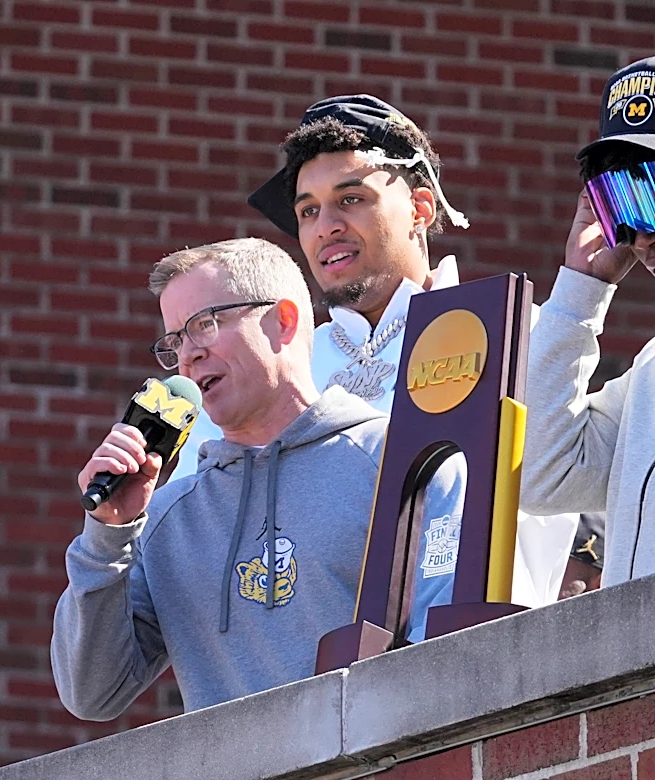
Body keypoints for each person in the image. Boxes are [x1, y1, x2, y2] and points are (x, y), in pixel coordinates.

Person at [51, 238, 462, 718]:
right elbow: (91, 695)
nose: (188, 356)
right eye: (174, 341)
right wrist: (107, 535)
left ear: (283, 322)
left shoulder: (405, 460)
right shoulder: (166, 518)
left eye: (204, 325)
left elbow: (447, 653)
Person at [247, 94, 577, 608]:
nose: (325, 225)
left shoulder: (514, 332)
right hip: (318, 671)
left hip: (493, 661)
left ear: (421, 208)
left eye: (351, 198)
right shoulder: (292, 367)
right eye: (307, 210)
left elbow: (586, 488)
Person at [520, 57, 655, 587]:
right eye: (621, 200)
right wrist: (581, 290)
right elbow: (542, 475)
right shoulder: (647, 375)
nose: (642, 235)